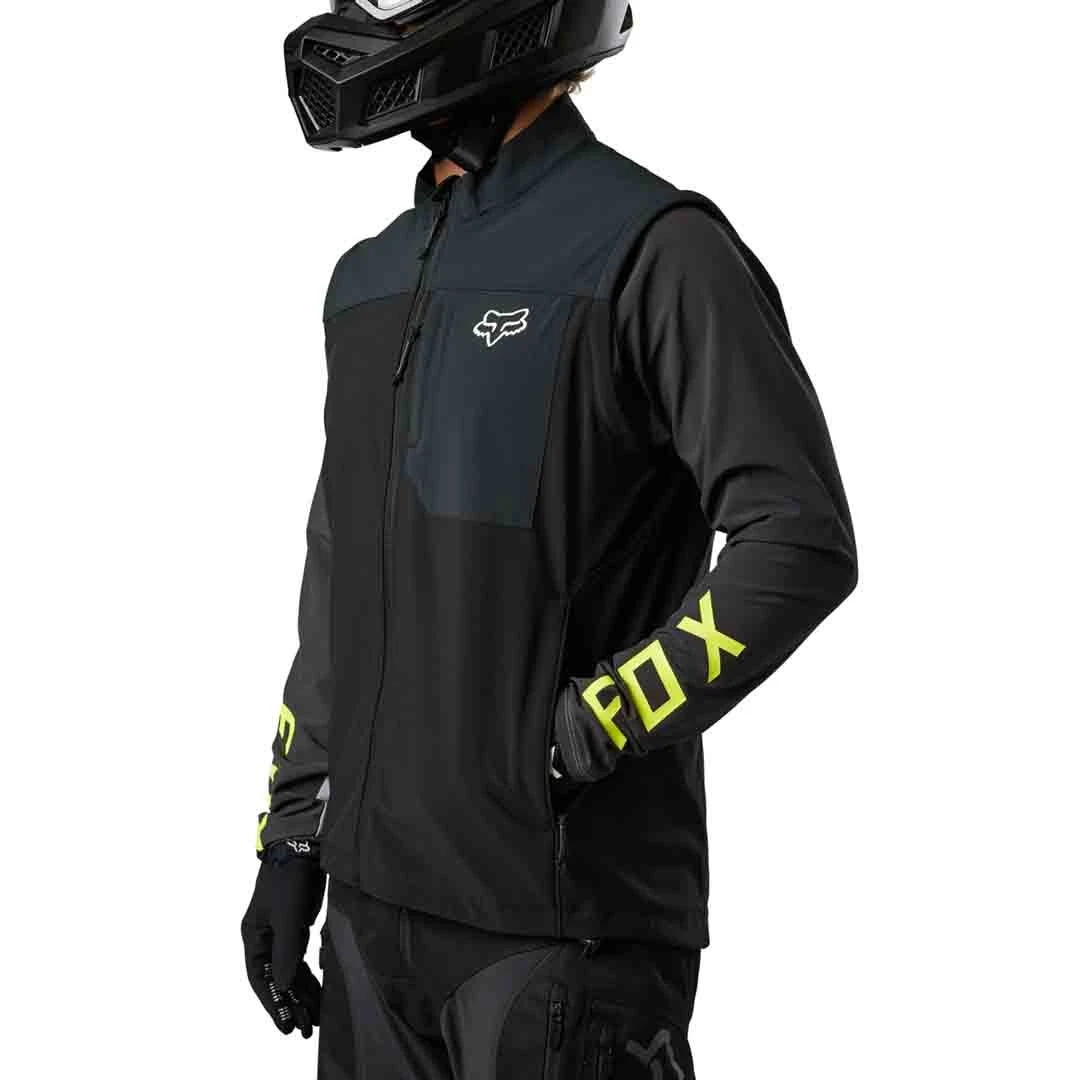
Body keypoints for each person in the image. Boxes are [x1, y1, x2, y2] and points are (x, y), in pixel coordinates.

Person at [241, 2, 858, 1076]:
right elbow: (341, 580)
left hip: (561, 929)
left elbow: (796, 539)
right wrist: (294, 834)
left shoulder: (654, 248)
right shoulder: (368, 279)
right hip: (372, 918)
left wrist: (587, 728)